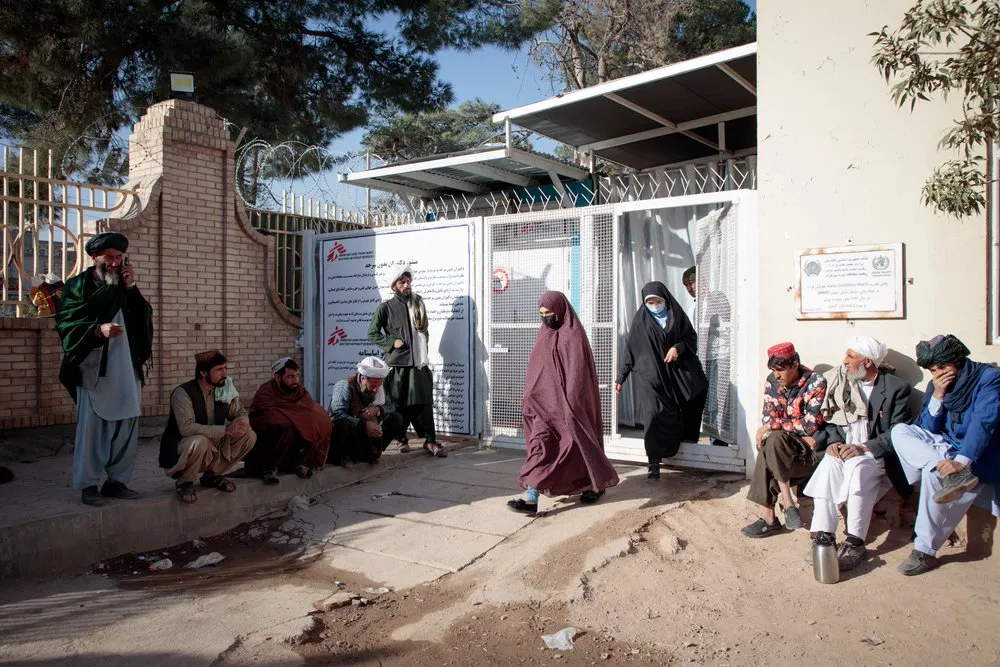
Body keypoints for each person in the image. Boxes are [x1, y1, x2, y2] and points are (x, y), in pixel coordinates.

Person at [54, 231, 153, 506]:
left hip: (127, 369)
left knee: (126, 427)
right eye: (109, 257)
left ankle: (117, 482)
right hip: (95, 369)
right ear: (95, 257)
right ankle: (88, 485)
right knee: (93, 431)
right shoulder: (78, 286)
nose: (114, 262)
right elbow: (66, 322)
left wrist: (132, 288)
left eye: (119, 257)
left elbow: (144, 315)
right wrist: (98, 330)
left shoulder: (124, 286)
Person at [890, 334, 1000, 576]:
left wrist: (961, 462)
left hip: (977, 454)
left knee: (933, 477)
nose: (938, 373)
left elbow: (983, 423)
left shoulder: (989, 379)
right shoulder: (936, 385)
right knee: (900, 431)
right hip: (945, 450)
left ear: (957, 360)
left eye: (942, 367)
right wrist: (938, 394)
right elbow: (928, 428)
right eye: (933, 370)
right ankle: (942, 469)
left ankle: (924, 551)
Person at [803, 336, 913, 570]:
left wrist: (863, 447)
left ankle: (855, 542)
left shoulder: (896, 388)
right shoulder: (841, 383)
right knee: (828, 465)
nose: (844, 361)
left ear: (868, 362)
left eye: (851, 356)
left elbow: (898, 431)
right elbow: (831, 422)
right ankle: (824, 537)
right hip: (844, 450)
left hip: (875, 455)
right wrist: (834, 442)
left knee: (856, 468)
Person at [507, 292, 620, 516]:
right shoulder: (543, 335)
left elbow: (579, 376)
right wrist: (530, 397)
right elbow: (537, 372)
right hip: (543, 408)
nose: (545, 317)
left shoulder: (574, 336)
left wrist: (572, 405)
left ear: (560, 310)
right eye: (541, 313)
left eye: (549, 312)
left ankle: (594, 485)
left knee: (578, 447)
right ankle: (531, 498)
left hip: (569, 409)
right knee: (539, 447)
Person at [616, 281, 707, 480]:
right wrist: (621, 377)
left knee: (695, 393)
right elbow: (630, 352)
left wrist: (677, 348)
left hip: (676, 372)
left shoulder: (677, 316)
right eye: (650, 302)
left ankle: (685, 446)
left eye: (658, 301)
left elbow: (690, 338)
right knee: (654, 415)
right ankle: (654, 462)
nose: (655, 305)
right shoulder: (640, 322)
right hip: (651, 377)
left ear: (666, 299)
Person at [741, 342, 827, 537]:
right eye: (773, 370)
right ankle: (788, 505)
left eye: (780, 370)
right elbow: (768, 417)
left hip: (806, 452)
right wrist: (778, 426)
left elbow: (810, 425)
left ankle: (770, 517)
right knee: (773, 441)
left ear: (794, 364)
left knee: (772, 442)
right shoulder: (772, 381)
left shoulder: (815, 382)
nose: (776, 375)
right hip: (782, 448)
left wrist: (773, 425)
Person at [368, 264, 446, 458]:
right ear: (394, 285)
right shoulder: (386, 308)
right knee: (399, 405)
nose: (406, 285)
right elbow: (372, 333)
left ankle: (430, 440)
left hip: (419, 363)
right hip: (398, 365)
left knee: (424, 403)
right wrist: (391, 342)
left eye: (408, 281)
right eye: (402, 282)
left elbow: (424, 329)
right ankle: (401, 439)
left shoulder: (418, 303)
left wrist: (423, 344)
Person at [159, 350, 256, 504]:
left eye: (225, 368)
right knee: (199, 441)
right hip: (181, 450)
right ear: (203, 373)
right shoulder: (182, 393)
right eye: (219, 369)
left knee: (249, 435)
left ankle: (212, 475)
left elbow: (240, 412)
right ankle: (185, 482)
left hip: (212, 446)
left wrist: (242, 424)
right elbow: (186, 428)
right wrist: (225, 430)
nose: (224, 373)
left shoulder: (224, 388)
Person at [246, 358, 331, 484]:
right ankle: (270, 468)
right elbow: (265, 418)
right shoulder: (266, 392)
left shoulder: (299, 391)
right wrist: (294, 419)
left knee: (317, 421)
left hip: (293, 436)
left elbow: (311, 410)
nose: (295, 380)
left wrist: (301, 419)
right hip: (268, 440)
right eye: (290, 377)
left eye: (297, 376)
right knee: (284, 427)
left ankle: (295, 463)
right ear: (277, 377)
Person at [328, 356, 408, 464]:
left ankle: (374, 450)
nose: (376, 390)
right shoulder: (344, 386)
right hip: (352, 432)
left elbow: (391, 407)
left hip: (367, 432)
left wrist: (378, 409)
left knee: (396, 417)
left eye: (378, 385)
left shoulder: (378, 387)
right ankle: (343, 456)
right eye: (373, 385)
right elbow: (336, 415)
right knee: (341, 424)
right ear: (363, 379)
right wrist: (364, 425)